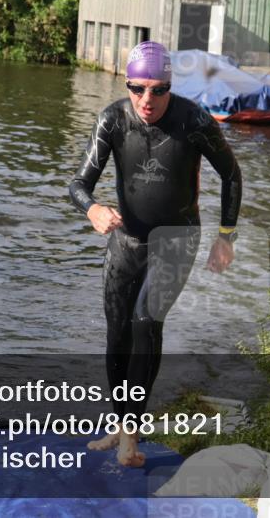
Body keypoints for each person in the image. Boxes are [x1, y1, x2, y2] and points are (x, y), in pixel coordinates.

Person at [69, 41, 242, 467]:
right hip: (126, 241)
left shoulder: (194, 121)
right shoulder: (112, 119)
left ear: (170, 87)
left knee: (147, 323)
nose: (147, 100)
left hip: (177, 239)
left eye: (158, 90)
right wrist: (91, 208)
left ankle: (130, 436)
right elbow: (77, 184)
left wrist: (226, 237)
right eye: (138, 88)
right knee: (116, 338)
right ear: (127, 84)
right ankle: (123, 424)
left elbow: (231, 174)